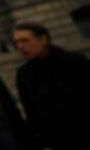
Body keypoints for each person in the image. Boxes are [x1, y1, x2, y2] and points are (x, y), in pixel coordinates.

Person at [13, 22, 90, 150]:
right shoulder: (23, 74)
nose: (20, 46)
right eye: (17, 43)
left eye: (25, 41)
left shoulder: (75, 62)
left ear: (43, 39)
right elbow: (31, 113)